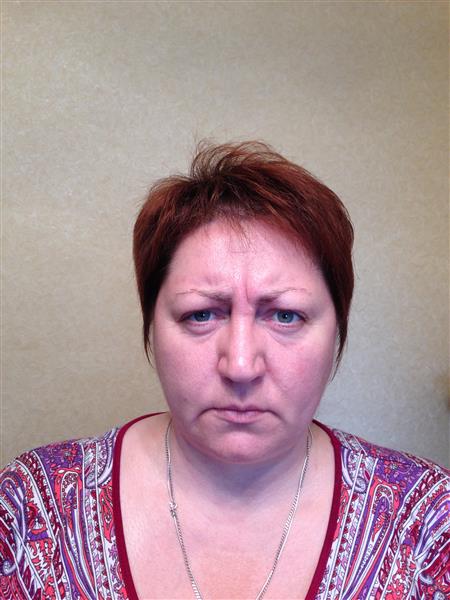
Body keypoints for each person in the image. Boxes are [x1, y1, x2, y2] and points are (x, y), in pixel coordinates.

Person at [1, 142, 449, 600]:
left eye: (286, 315)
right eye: (201, 314)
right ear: (151, 323)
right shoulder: (32, 509)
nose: (240, 366)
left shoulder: (430, 526)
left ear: (337, 327)